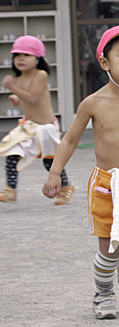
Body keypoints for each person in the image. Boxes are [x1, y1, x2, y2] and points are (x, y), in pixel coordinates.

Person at [42, 24, 119, 319]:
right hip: (106, 183)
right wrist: (54, 172)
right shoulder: (93, 103)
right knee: (108, 246)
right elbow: (70, 139)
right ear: (105, 63)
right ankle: (103, 294)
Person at [0, 36, 73, 205]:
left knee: (50, 161)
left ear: (37, 58)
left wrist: (12, 88)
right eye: (17, 55)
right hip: (29, 127)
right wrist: (15, 97)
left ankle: (66, 186)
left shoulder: (41, 74)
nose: (20, 58)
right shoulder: (20, 77)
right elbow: (25, 97)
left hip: (46, 127)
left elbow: (32, 98)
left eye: (26, 55)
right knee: (12, 153)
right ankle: (11, 189)